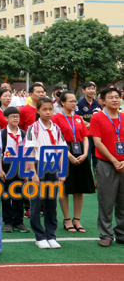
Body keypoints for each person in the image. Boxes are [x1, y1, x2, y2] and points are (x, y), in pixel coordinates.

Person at [25, 96, 64, 249]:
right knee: (36, 202)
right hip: (37, 165)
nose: (48, 112)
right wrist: (33, 173)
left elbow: (61, 150)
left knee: (51, 202)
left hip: (53, 166)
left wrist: (61, 171)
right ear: (38, 111)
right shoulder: (33, 128)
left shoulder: (56, 128)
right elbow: (29, 152)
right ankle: (39, 236)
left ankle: (51, 235)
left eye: (50, 109)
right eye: (44, 109)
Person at [88, 86, 124, 248]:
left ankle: (121, 233)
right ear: (102, 101)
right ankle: (106, 234)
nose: (115, 99)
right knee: (106, 201)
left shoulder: (123, 117)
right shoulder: (97, 118)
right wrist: (114, 161)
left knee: (123, 201)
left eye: (117, 96)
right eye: (111, 97)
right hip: (106, 164)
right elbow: (97, 142)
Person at [52, 90, 93, 233]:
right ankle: (67, 219)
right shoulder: (56, 118)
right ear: (62, 102)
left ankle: (77, 219)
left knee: (79, 188)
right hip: (64, 152)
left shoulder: (79, 118)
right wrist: (68, 155)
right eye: (71, 101)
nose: (74, 103)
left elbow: (85, 137)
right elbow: (56, 139)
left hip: (80, 152)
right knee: (65, 188)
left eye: (75, 101)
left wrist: (86, 153)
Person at [0, 107, 29, 233]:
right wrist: (0, 170)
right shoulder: (2, 134)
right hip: (6, 164)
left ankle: (19, 221)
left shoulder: (23, 134)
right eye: (13, 116)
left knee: (19, 194)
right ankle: (8, 221)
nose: (16, 119)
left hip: (20, 164)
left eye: (18, 116)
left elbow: (27, 152)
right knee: (6, 195)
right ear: (6, 118)